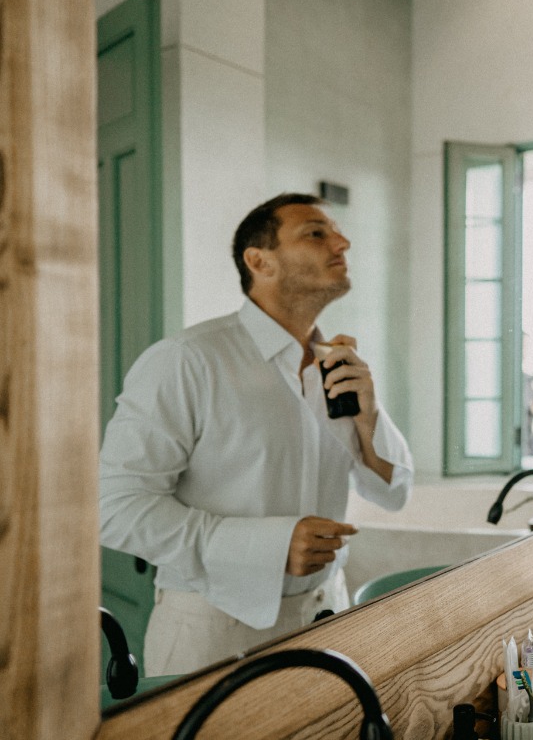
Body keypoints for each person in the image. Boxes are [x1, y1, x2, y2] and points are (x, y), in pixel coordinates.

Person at [99, 193, 414, 676]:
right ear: (258, 260)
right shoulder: (187, 360)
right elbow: (115, 507)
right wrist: (269, 546)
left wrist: (369, 415)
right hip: (214, 635)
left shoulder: (337, 365)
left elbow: (392, 492)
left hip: (328, 618)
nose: (342, 241)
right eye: (316, 232)